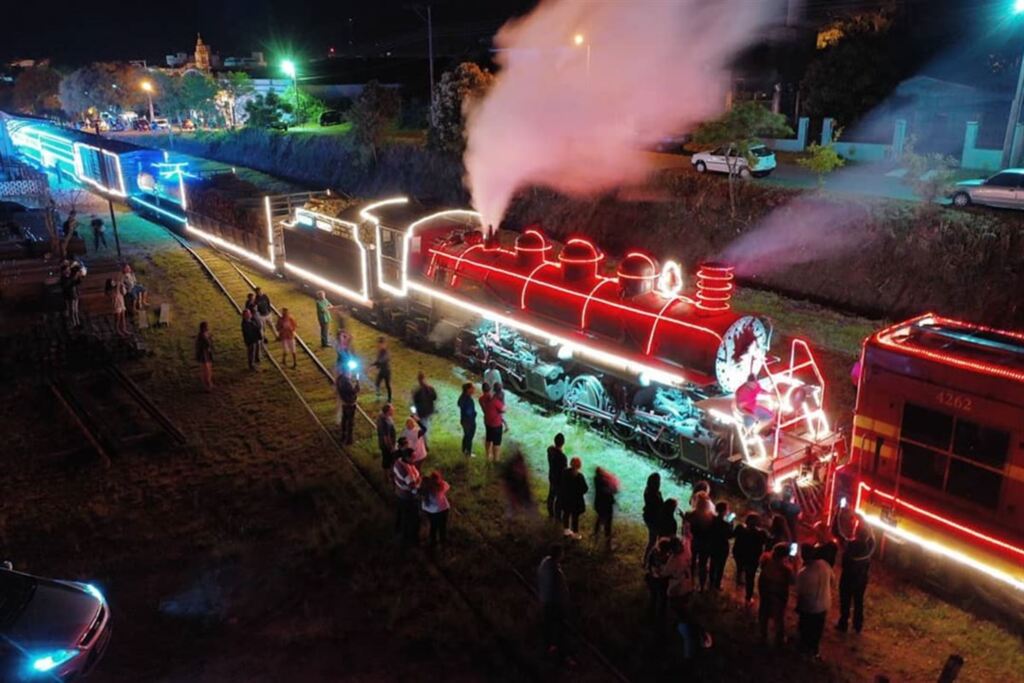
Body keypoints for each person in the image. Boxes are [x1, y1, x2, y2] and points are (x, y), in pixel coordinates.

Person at [796, 543, 834, 657]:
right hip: (824, 604)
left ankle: (804, 649)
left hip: (809, 607)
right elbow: (833, 579)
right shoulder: (825, 565)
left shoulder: (804, 573)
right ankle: (814, 650)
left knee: (806, 628)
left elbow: (799, 591)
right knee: (817, 629)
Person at [837, 523, 875, 634]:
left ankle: (843, 623)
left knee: (845, 600)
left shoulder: (850, 545)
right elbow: (873, 538)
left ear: (856, 532)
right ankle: (857, 625)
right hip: (861, 579)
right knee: (858, 601)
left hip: (847, 577)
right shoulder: (869, 547)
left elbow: (838, 532)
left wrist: (837, 512)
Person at [537, 544, 572, 661]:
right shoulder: (555, 571)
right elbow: (559, 589)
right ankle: (560, 653)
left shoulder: (544, 563)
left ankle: (548, 649)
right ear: (559, 554)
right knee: (559, 628)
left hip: (545, 600)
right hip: (554, 603)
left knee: (548, 626)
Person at [758, 543, 794, 648]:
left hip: (765, 592)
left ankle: (763, 634)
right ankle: (779, 639)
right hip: (778, 594)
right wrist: (795, 564)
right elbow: (793, 581)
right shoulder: (785, 569)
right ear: (785, 555)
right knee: (778, 616)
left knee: (764, 612)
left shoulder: (765, 560)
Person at [732, 513, 768, 605]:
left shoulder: (740, 529)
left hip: (739, 555)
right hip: (752, 558)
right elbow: (767, 543)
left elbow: (732, 534)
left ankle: (738, 586)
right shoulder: (761, 534)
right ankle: (748, 597)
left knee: (740, 569)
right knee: (750, 577)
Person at [686, 491, 715, 591]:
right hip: (706, 544)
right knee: (703, 565)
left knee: (691, 564)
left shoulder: (690, 514)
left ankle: (690, 583)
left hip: (694, 542)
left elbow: (686, 529)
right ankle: (702, 587)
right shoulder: (712, 517)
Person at [392, 447, 422, 546]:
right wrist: (419, 481)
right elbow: (413, 487)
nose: (415, 459)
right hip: (407, 498)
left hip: (398, 493)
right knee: (413, 518)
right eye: (413, 457)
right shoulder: (407, 471)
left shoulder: (398, 462)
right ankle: (409, 538)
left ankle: (398, 529)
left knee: (400, 513)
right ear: (407, 457)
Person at [420, 470, 450, 551]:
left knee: (433, 527)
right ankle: (443, 543)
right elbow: (447, 485)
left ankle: (433, 543)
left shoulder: (425, 489)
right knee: (442, 527)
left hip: (430, 512)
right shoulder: (441, 486)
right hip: (442, 510)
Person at [707, 501, 734, 591]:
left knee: (713, 564)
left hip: (712, 544)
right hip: (722, 547)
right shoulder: (726, 523)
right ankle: (717, 584)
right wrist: (731, 524)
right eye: (727, 509)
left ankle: (711, 583)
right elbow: (730, 535)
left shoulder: (712, 520)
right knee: (720, 566)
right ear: (724, 511)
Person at [559, 457, 588, 538]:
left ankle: (566, 530)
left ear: (570, 463)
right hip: (576, 500)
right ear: (579, 466)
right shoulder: (579, 476)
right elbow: (585, 489)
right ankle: (575, 533)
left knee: (566, 513)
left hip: (566, 498)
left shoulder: (565, 472)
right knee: (575, 517)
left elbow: (562, 484)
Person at [592, 467, 619, 550]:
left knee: (600, 518)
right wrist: (613, 487)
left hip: (598, 504)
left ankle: (596, 533)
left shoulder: (597, 480)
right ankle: (608, 544)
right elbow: (612, 491)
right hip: (606, 506)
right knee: (608, 524)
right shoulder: (603, 483)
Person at [479, 382, 506, 462]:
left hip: (487, 421)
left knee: (488, 438)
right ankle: (496, 459)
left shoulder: (481, 399)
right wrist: (503, 404)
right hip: (496, 424)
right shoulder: (494, 400)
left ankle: (487, 455)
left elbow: (485, 410)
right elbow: (503, 410)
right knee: (496, 442)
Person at [642, 473, 664, 561]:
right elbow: (658, 506)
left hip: (651, 518)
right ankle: (647, 559)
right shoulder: (653, 494)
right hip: (653, 519)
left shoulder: (650, 491)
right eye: (658, 481)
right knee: (653, 540)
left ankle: (649, 558)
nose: (660, 483)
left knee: (654, 540)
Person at [546, 434, 568, 518]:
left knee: (551, 495)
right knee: (559, 499)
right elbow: (564, 471)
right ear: (563, 443)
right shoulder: (563, 457)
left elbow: (550, 448)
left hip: (552, 476)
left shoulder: (550, 450)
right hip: (559, 480)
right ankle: (558, 516)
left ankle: (550, 513)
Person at [336, 370, 360, 445]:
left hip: (344, 402)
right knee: (350, 422)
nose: (350, 374)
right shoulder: (346, 383)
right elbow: (354, 391)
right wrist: (357, 382)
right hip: (350, 404)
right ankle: (349, 440)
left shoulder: (339, 379)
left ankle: (343, 435)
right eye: (349, 372)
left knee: (344, 419)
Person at [457, 383, 477, 457]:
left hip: (464, 420)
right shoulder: (468, 399)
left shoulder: (463, 397)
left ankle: (464, 450)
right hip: (469, 421)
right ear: (468, 389)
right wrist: (474, 414)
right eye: (472, 388)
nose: (474, 389)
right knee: (469, 436)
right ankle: (468, 453)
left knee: (466, 435)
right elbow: (469, 411)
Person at [61, 262, 83, 328]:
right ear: (64, 271)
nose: (68, 271)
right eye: (67, 270)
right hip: (69, 295)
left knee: (76, 310)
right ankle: (74, 323)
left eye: (68, 269)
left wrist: (79, 277)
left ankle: (77, 322)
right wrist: (74, 279)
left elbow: (77, 283)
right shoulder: (64, 278)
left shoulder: (70, 276)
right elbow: (67, 285)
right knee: (72, 310)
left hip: (75, 294)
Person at [370, 337, 392, 402]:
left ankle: (389, 399)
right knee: (377, 383)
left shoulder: (387, 352)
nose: (379, 346)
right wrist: (372, 365)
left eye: (381, 344)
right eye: (379, 344)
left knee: (387, 385)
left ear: (384, 344)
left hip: (387, 371)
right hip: (382, 371)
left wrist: (375, 365)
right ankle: (378, 397)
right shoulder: (380, 352)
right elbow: (378, 361)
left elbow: (383, 360)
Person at [376, 403, 397, 473]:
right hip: (386, 446)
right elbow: (386, 437)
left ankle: (390, 474)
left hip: (385, 444)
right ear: (388, 411)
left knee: (388, 460)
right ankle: (387, 476)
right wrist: (391, 447)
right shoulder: (384, 422)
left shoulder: (385, 417)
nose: (393, 410)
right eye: (392, 410)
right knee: (387, 461)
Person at [195, 321, 214, 392]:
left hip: (207, 353)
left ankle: (209, 382)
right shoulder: (201, 336)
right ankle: (206, 385)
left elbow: (210, 342)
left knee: (209, 368)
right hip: (203, 354)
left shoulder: (207, 334)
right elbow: (202, 345)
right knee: (205, 370)